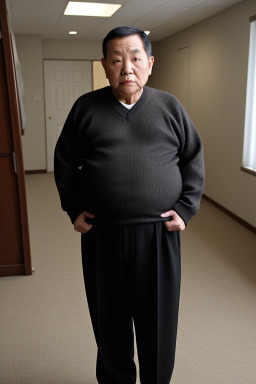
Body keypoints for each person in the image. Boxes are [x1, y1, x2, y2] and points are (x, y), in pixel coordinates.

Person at [54, 26, 205, 384]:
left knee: (158, 324)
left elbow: (193, 160)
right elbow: (64, 162)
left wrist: (186, 209)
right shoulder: (86, 108)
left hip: (158, 234)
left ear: (149, 63)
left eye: (135, 58)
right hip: (102, 235)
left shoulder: (169, 107)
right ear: (105, 65)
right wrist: (72, 208)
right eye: (117, 60)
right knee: (109, 324)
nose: (127, 68)